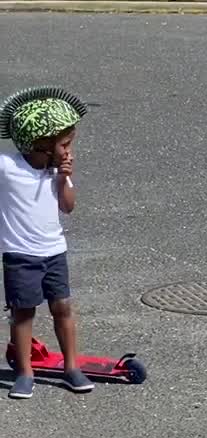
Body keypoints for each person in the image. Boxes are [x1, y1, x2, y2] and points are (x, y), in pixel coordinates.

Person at [1, 86, 92, 399]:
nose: (69, 150)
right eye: (65, 144)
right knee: (23, 312)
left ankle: (71, 367)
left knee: (62, 307)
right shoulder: (8, 168)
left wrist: (64, 177)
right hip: (20, 255)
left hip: (54, 252)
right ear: (40, 145)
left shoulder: (56, 171)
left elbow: (68, 206)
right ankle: (25, 373)